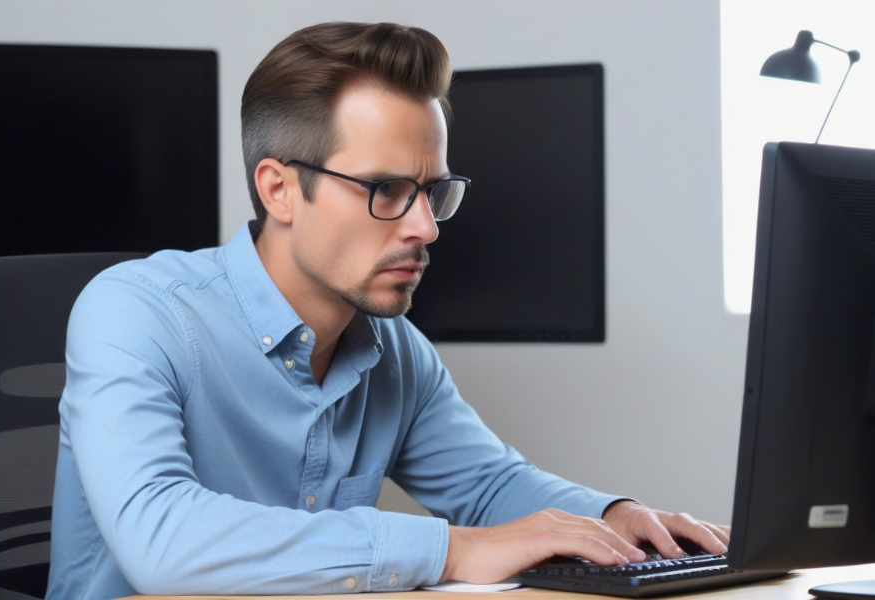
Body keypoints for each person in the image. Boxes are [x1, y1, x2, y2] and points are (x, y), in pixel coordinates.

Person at [46, 21, 729, 600]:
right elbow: (162, 540)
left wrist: (616, 517)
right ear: (280, 190)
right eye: (386, 190)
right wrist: (450, 552)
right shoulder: (134, 312)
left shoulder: (392, 348)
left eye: (433, 191)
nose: (425, 228)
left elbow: (490, 485)